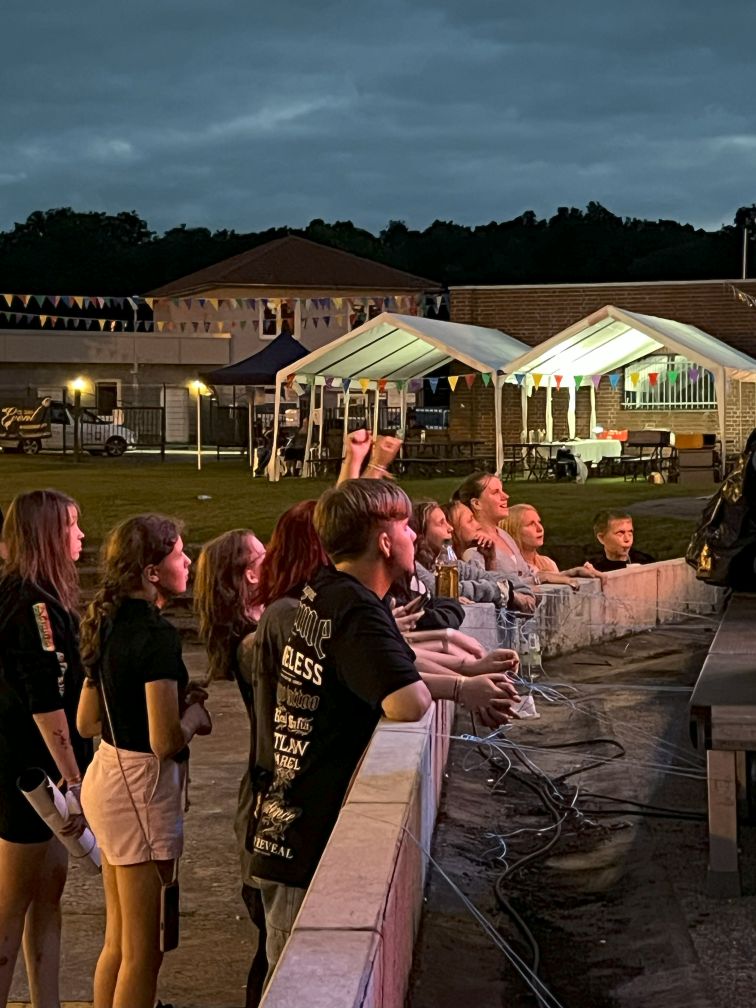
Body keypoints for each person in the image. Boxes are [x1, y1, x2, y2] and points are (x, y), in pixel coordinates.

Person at [246, 480, 432, 987]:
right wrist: (459, 686)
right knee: (299, 984)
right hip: (305, 833)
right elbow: (408, 700)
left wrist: (463, 682)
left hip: (286, 823)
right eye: (405, 526)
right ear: (384, 542)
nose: (414, 535)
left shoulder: (325, 589)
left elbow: (386, 671)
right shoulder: (354, 607)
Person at [77, 514, 212, 1008]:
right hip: (141, 790)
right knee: (145, 950)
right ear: (151, 572)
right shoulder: (156, 636)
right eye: (178, 554)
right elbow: (164, 741)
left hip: (107, 777)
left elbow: (87, 722)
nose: (188, 562)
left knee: (118, 940)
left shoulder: (106, 623)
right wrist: (194, 716)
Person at [0, 489, 90, 1008]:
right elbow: (45, 701)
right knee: (11, 906)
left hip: (37, 773)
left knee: (46, 896)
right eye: (72, 526)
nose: (81, 536)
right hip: (31, 777)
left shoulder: (34, 596)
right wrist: (73, 777)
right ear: (48, 535)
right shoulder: (34, 606)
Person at [193, 527, 267, 1007]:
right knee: (271, 942)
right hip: (263, 800)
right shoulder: (252, 642)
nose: (272, 556)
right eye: (261, 554)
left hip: (259, 791)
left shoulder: (264, 625)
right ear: (247, 575)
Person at [410, 500, 536, 613]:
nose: (450, 528)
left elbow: (493, 577)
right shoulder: (413, 567)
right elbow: (445, 590)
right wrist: (504, 592)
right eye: (441, 523)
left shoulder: (449, 562)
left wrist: (509, 587)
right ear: (421, 534)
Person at [503, 504, 605, 589]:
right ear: (513, 532)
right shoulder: (506, 566)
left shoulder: (547, 563)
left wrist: (574, 574)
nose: (539, 528)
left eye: (539, 522)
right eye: (530, 524)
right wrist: (542, 578)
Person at [452, 473, 531, 579]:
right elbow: (487, 583)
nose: (506, 496)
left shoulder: (504, 535)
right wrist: (537, 579)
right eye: (495, 492)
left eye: (502, 490)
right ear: (476, 503)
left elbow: (526, 573)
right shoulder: (478, 545)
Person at [588, 510, 656, 572]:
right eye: (620, 533)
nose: (627, 539)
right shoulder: (594, 569)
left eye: (630, 532)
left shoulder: (645, 562)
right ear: (602, 538)